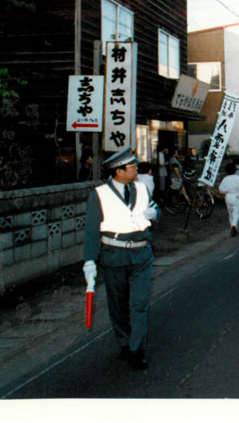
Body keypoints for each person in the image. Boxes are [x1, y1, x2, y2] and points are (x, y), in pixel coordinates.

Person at [82, 147, 159, 370]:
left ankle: (137, 349)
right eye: (132, 167)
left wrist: (155, 214)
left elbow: (154, 209)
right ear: (119, 172)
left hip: (141, 254)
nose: (137, 169)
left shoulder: (142, 188)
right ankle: (124, 341)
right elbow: (91, 230)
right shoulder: (99, 194)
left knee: (139, 303)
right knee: (118, 304)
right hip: (113, 256)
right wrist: (89, 261)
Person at [218, 162, 239, 237]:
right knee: (236, 212)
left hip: (228, 196)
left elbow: (220, 189)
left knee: (230, 213)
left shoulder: (225, 179)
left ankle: (232, 227)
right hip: (236, 196)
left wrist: (226, 191)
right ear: (235, 170)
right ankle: (234, 225)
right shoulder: (238, 178)